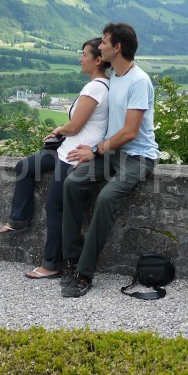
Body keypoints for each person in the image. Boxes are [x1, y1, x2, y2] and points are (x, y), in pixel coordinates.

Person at [0, 38, 110, 279]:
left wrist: (59, 130)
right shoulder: (97, 86)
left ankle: (52, 263)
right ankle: (19, 220)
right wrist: (61, 133)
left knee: (54, 207)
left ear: (98, 60)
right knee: (26, 166)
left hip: (74, 155)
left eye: (84, 54)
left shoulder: (97, 87)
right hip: (64, 150)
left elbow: (76, 124)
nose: (81, 58)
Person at [59, 22, 159, 297]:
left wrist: (94, 150)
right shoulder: (115, 76)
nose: (99, 47)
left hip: (138, 158)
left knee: (105, 199)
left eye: (104, 42)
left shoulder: (139, 81)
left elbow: (129, 131)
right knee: (72, 183)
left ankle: (85, 274)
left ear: (117, 47)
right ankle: (71, 260)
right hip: (112, 154)